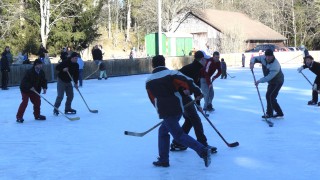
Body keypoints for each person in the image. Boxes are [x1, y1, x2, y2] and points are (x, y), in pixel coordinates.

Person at [146, 55, 211, 168]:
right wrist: (197, 92)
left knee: (178, 135)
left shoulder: (149, 81)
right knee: (163, 132)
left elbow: (152, 99)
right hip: (178, 108)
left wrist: (160, 109)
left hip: (166, 111)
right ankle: (164, 159)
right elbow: (187, 81)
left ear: (153, 65)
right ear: (164, 63)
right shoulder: (172, 74)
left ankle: (202, 150)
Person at [170, 50, 217, 153]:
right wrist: (182, 89)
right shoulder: (191, 69)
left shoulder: (198, 69)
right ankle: (203, 144)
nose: (207, 62)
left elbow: (195, 87)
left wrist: (198, 105)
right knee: (195, 120)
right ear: (202, 59)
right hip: (179, 96)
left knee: (190, 120)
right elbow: (175, 80)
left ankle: (178, 142)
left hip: (183, 96)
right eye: (206, 60)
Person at [250, 49, 284, 118]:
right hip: (271, 81)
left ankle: (269, 113)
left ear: (273, 56)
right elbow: (254, 58)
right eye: (267, 56)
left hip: (277, 81)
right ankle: (279, 113)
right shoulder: (263, 58)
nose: (268, 58)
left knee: (270, 96)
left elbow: (268, 77)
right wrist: (252, 63)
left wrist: (259, 81)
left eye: (270, 56)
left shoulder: (275, 65)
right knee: (270, 97)